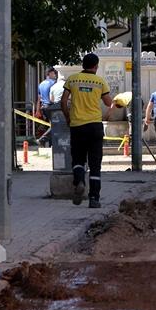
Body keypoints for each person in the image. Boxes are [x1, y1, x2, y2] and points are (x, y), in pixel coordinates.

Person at [60, 53, 113, 208]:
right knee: (95, 164)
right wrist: (110, 111)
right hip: (95, 126)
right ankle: (94, 199)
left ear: (83, 65)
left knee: (78, 159)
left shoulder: (73, 79)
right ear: (96, 66)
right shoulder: (100, 81)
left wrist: (68, 118)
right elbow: (109, 102)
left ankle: (79, 181)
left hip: (77, 126)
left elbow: (63, 101)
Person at [35, 68, 57, 146]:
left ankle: (51, 145)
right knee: (55, 125)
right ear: (50, 73)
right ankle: (42, 139)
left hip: (43, 107)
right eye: (54, 74)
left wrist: (37, 110)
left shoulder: (41, 84)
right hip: (51, 106)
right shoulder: (54, 83)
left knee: (50, 126)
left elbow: (39, 98)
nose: (55, 75)